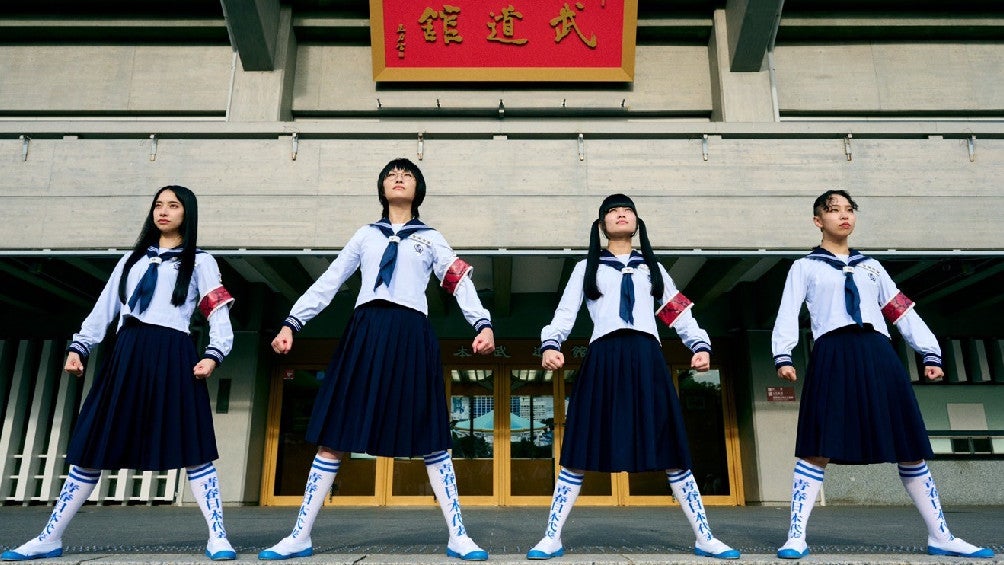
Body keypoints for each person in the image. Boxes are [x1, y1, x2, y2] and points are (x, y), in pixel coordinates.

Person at [258, 158, 495, 562]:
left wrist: (482, 323)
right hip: (365, 332)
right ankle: (299, 535)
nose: (397, 178)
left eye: (406, 175)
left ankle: (459, 535)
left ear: (418, 190)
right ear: (381, 188)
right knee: (334, 435)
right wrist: (291, 323)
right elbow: (330, 280)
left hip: (411, 334)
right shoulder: (366, 236)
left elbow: (458, 280)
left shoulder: (431, 238)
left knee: (432, 435)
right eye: (390, 174)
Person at [2, 186, 237, 562]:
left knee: (193, 446)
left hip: (174, 353)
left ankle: (218, 537)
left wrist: (214, 354)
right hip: (126, 353)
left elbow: (217, 312)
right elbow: (105, 307)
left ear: (187, 214)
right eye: (158, 205)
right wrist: (79, 347)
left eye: (173, 206)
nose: (163, 211)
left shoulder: (201, 261)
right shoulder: (131, 259)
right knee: (94, 443)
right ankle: (49, 536)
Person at [771, 189, 995, 560]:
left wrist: (929, 351)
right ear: (817, 221)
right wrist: (783, 354)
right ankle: (796, 536)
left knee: (909, 445)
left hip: (878, 352)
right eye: (833, 210)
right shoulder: (804, 267)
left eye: (849, 209)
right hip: (833, 353)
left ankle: (941, 535)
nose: (844, 216)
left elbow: (901, 311)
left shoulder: (873, 266)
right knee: (817, 445)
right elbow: (788, 312)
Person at [526, 194, 740, 561]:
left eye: (627, 209)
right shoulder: (586, 269)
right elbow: (564, 315)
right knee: (579, 448)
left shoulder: (652, 269)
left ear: (637, 222)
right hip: (604, 358)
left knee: (672, 448)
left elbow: (678, 313)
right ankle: (551, 537)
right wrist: (550, 344)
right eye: (612, 210)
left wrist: (699, 345)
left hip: (647, 358)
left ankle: (705, 537)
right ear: (600, 226)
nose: (620, 214)